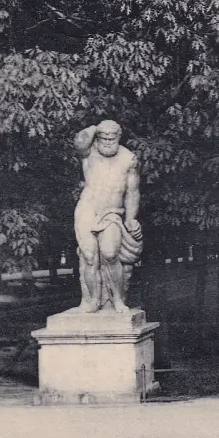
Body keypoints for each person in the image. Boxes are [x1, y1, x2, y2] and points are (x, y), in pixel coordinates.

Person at [72, 120, 144, 313]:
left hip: (112, 212)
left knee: (110, 254)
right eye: (103, 138)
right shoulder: (89, 153)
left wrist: (131, 219)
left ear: (119, 138)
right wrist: (94, 128)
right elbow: (79, 142)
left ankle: (118, 299)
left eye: (111, 139)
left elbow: (132, 192)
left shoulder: (128, 159)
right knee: (89, 256)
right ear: (97, 138)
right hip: (87, 208)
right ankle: (93, 300)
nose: (107, 142)